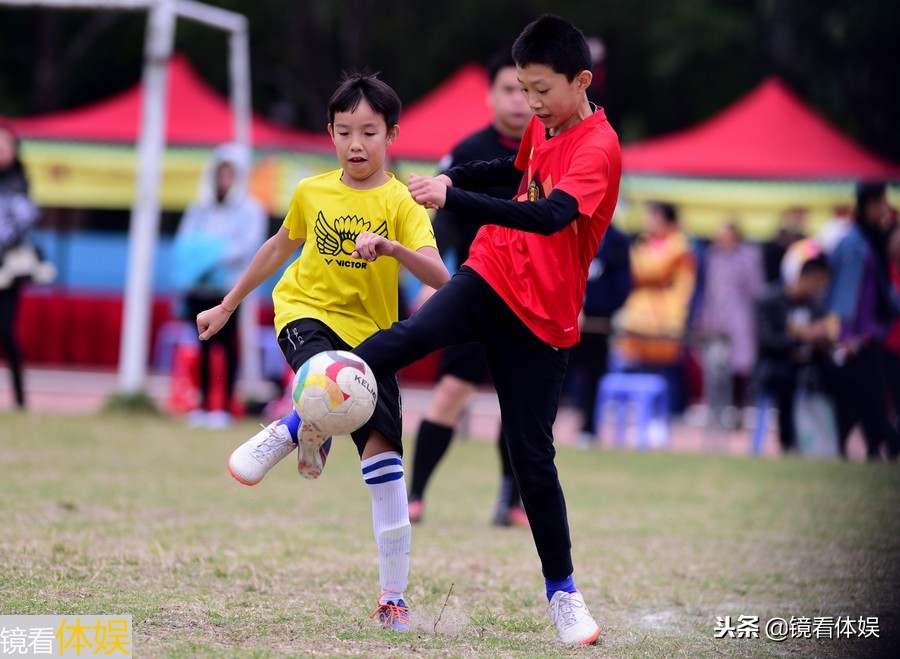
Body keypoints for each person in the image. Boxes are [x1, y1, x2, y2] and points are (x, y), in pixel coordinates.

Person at [351, 15, 616, 645]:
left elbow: (551, 215)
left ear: (581, 81)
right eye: (522, 89)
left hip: (545, 316)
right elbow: (513, 171)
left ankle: (564, 596)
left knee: (531, 457)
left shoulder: (597, 148)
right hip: (491, 274)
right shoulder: (545, 127)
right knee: (401, 341)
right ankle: (291, 423)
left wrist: (454, 199)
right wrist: (454, 178)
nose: (530, 104)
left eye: (541, 90)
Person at [196, 72, 449, 631]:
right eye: (343, 131)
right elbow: (276, 248)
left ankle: (393, 599)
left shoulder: (402, 201)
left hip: (373, 342)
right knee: (322, 374)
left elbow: (440, 272)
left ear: (392, 135)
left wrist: (392, 247)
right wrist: (228, 305)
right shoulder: (311, 191)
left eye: (369, 132)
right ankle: (294, 428)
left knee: (385, 467)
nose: (356, 144)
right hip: (303, 312)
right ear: (330, 135)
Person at [407, 49, 532, 528]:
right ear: (490, 95)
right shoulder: (466, 152)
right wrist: (430, 277)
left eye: (527, 90)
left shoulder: (550, 153)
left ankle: (512, 502)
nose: (519, 100)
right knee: (451, 393)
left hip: (529, 297)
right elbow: (441, 227)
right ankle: (415, 495)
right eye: (508, 89)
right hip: (475, 289)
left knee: (521, 403)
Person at [173, 143, 267, 428]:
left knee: (227, 346)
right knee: (201, 345)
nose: (224, 181)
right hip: (198, 288)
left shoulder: (251, 209)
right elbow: (185, 240)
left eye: (229, 175)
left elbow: (249, 245)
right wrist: (198, 260)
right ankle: (201, 404)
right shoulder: (200, 208)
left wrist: (212, 254)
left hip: (228, 289)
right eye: (220, 175)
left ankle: (224, 406)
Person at [826, 181, 900, 460]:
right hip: (860, 338)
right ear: (870, 205)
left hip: (874, 335)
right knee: (872, 401)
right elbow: (844, 297)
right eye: (883, 203)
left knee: (872, 401)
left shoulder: (870, 240)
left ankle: (875, 450)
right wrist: (846, 338)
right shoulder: (855, 245)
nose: (886, 209)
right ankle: (882, 448)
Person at [614, 201, 696, 415]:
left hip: (665, 316)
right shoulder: (643, 243)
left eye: (655, 216)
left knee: (664, 371)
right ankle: (635, 413)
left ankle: (666, 416)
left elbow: (654, 271)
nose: (650, 221)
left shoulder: (679, 246)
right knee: (635, 367)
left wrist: (635, 254)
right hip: (638, 315)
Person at [754, 253, 834, 453]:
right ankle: (788, 444)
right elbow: (767, 341)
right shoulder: (770, 299)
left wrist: (824, 338)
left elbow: (823, 337)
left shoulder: (815, 305)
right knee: (786, 380)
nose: (819, 288)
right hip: (775, 367)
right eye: (817, 282)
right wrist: (801, 337)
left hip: (809, 366)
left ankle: (828, 446)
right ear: (805, 278)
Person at [564, 220, 631, 444]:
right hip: (566, 317)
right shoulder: (570, 228)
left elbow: (623, 282)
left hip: (598, 322)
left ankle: (588, 428)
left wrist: (601, 309)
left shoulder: (617, 240)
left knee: (594, 375)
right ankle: (544, 427)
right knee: (558, 372)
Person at [693, 222, 763, 425]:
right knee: (713, 370)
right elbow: (707, 292)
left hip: (740, 319)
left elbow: (756, 291)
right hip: (714, 320)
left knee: (739, 368)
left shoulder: (748, 258)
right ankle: (715, 413)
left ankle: (737, 412)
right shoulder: (712, 257)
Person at [0, 123, 40, 411]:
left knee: (5, 331)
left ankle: (20, 396)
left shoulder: (19, 183)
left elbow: (25, 219)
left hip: (9, 269)